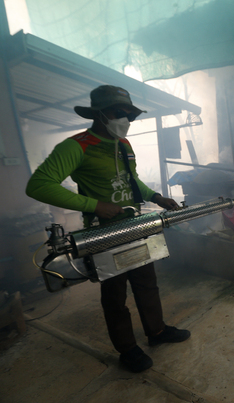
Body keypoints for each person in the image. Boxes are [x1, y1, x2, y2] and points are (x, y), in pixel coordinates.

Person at [26, 85, 190, 373]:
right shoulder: (76, 146)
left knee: (147, 284)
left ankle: (157, 332)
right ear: (99, 113)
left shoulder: (124, 145)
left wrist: (155, 196)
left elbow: (131, 180)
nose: (126, 119)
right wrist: (93, 205)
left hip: (134, 226)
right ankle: (127, 350)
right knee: (115, 295)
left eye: (131, 114)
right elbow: (38, 185)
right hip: (101, 234)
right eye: (120, 113)